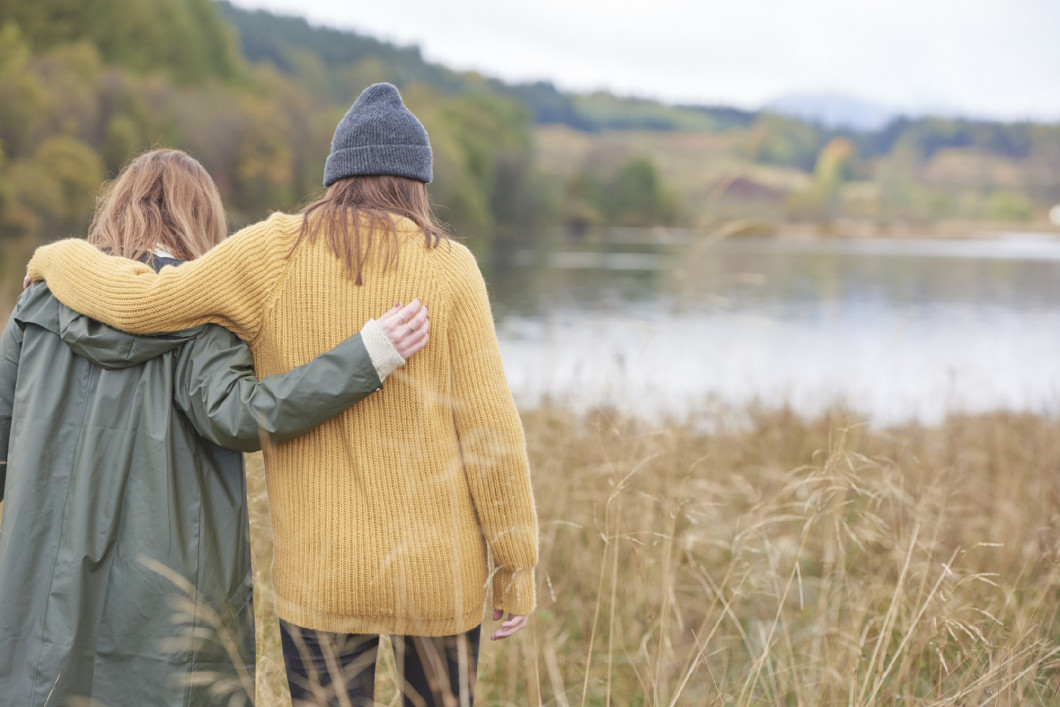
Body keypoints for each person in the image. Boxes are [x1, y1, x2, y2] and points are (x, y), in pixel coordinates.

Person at [26, 84, 539, 706]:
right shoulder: (451, 266)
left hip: (322, 574)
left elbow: (144, 302)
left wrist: (56, 256)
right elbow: (493, 432)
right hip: (437, 575)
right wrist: (515, 566)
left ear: (336, 175)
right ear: (418, 184)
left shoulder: (273, 250)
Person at [0, 148, 431, 706]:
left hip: (40, 587)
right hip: (165, 595)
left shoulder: (37, 303)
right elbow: (242, 416)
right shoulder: (202, 311)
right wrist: (365, 357)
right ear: (201, 218)